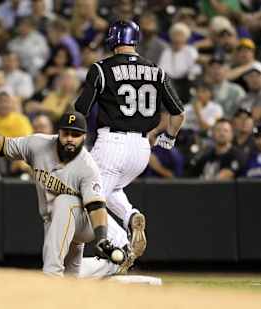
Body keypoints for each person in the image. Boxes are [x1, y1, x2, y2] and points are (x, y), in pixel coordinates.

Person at [0, 111, 126, 276]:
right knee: (70, 278)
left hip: (84, 222)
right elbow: (6, 145)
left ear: (83, 137)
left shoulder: (87, 166)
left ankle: (51, 275)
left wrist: (102, 238)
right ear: (58, 132)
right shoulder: (38, 144)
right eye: (65, 133)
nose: (69, 138)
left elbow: (96, 206)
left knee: (65, 202)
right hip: (54, 220)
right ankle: (112, 267)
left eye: (75, 134)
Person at [75, 20, 185, 267]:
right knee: (111, 190)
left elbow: (81, 108)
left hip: (112, 142)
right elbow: (179, 114)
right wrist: (168, 137)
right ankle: (131, 216)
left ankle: (122, 247)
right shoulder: (156, 70)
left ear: (113, 40)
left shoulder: (101, 68)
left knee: (87, 202)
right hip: (142, 148)